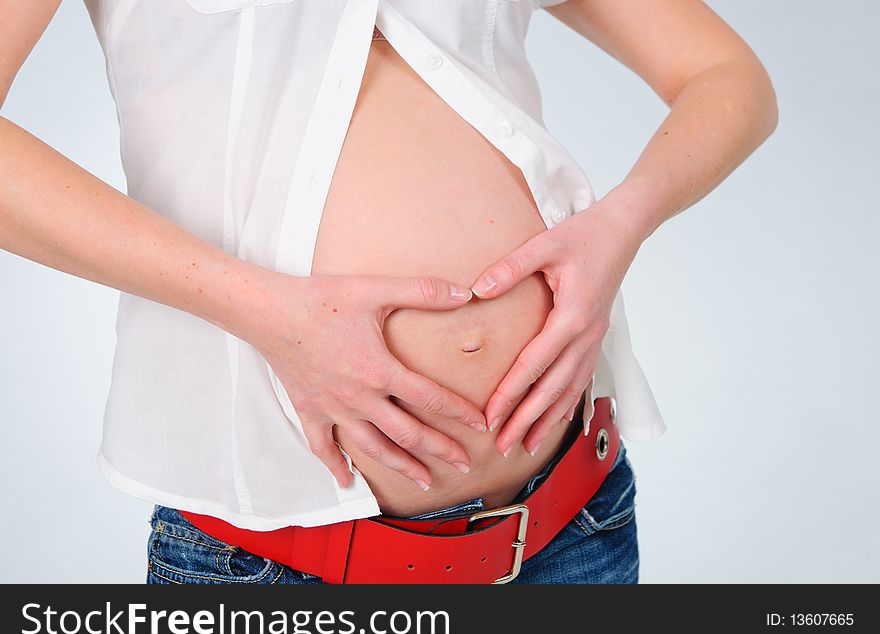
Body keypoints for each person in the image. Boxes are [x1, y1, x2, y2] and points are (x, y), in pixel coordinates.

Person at [0, 0, 777, 584]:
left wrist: (621, 226)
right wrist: (266, 312)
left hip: (572, 530)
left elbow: (727, 76)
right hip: (275, 569)